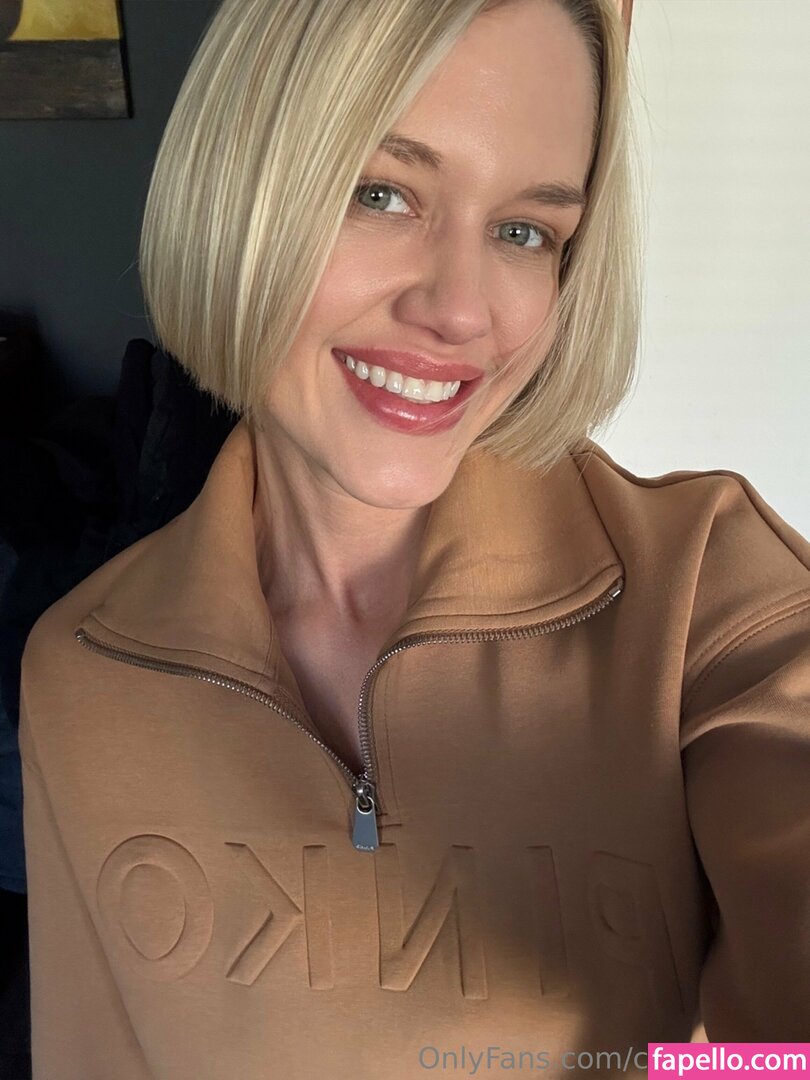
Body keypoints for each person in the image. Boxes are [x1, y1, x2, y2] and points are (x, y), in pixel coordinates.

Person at [17, 0, 810, 1076]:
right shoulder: (83, 670)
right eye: (380, 193)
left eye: (525, 231)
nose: (463, 311)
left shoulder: (709, 592)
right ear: (240, 190)